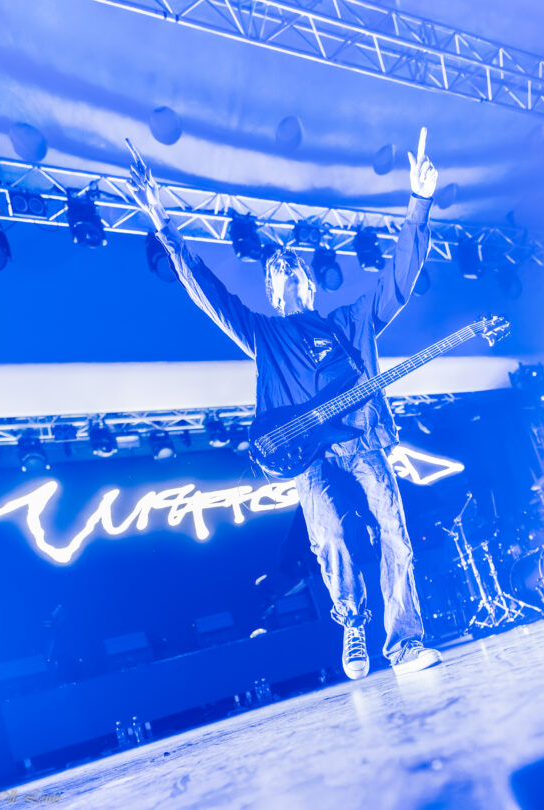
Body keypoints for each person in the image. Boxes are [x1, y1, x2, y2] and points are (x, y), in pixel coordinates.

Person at [126, 128, 442, 679]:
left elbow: (397, 280)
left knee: (394, 529)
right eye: (275, 275)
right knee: (331, 537)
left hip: (361, 442)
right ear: (271, 293)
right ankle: (352, 624)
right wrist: (164, 224)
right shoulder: (264, 334)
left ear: (308, 284)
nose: (285, 275)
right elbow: (208, 293)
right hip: (305, 457)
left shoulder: (348, 322)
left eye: (292, 269)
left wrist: (418, 203)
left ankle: (405, 646)